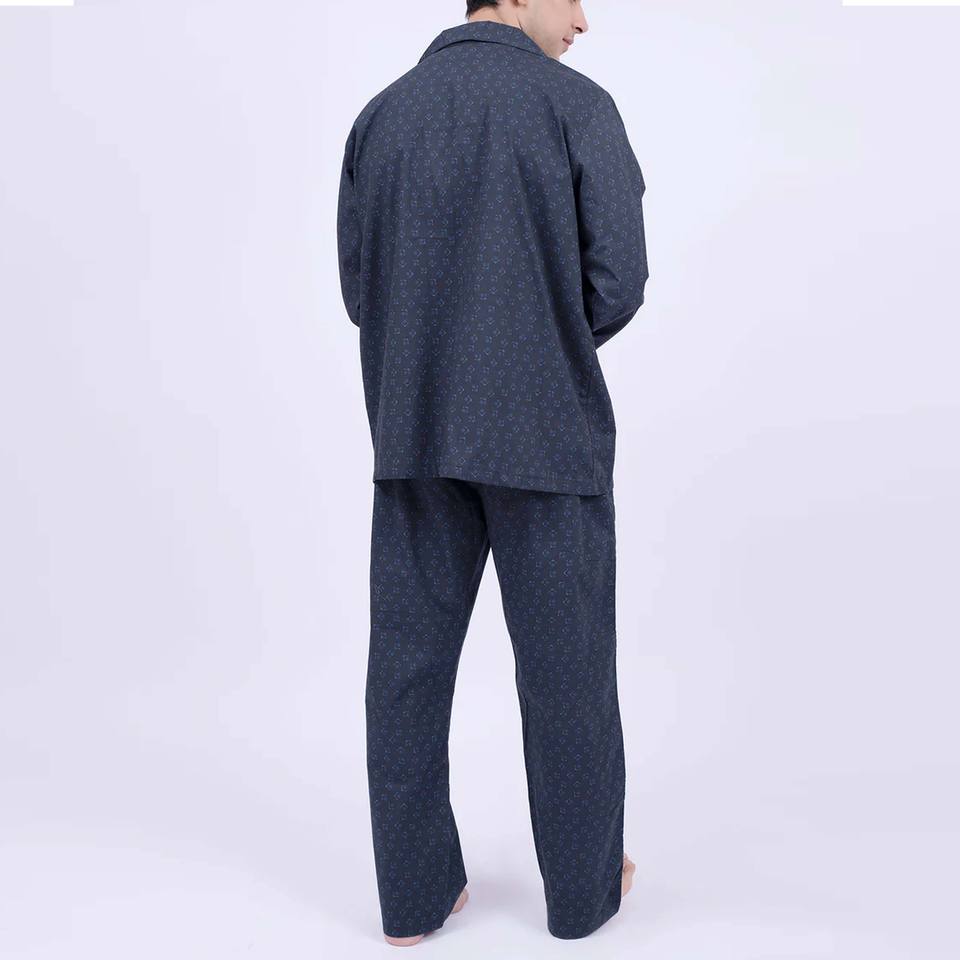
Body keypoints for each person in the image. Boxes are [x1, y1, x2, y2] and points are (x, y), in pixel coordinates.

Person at [336, 0, 649, 944]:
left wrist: (439, 337)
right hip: (543, 432)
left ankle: (413, 901)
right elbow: (619, 279)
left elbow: (360, 288)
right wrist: (536, 337)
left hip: (415, 426)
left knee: (407, 670)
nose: (584, 19)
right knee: (568, 670)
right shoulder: (576, 105)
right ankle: (581, 896)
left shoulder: (382, 116)